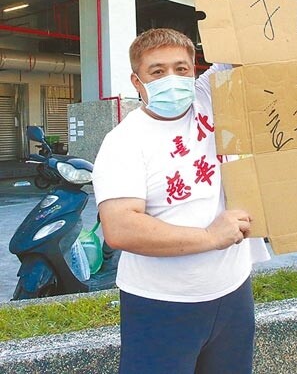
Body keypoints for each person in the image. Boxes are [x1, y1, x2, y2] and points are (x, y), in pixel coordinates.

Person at [92, 28, 269, 374]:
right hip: (162, 305)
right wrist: (209, 237)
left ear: (195, 72)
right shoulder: (123, 142)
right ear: (137, 81)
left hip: (233, 294)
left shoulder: (205, 99)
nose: (172, 79)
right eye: (157, 72)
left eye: (182, 69)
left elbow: (246, 38)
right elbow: (120, 227)